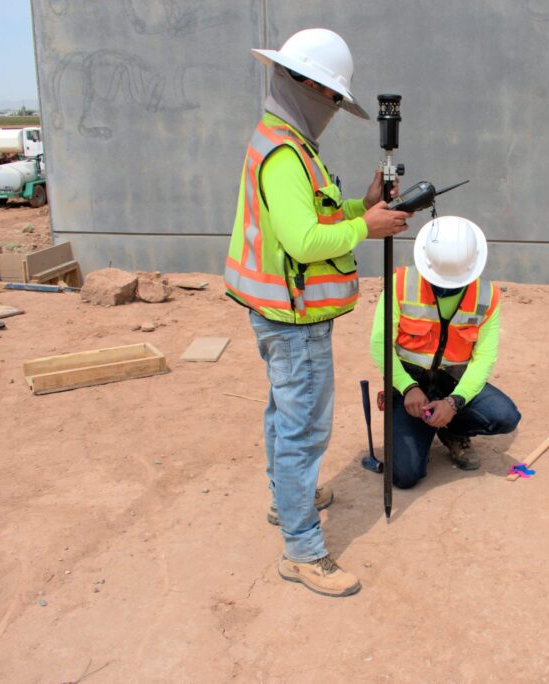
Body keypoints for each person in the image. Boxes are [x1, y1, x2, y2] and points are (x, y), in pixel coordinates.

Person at [224, 28, 411, 598]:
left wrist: (364, 204)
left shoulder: (287, 144)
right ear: (303, 84)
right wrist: (368, 228)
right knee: (304, 428)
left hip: (283, 313)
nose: (332, 107)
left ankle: (289, 500)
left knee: (285, 415)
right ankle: (303, 551)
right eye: (331, 96)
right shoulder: (283, 153)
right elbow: (305, 241)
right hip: (292, 319)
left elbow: (316, 216)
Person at [370, 216, 521, 488]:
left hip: (454, 380)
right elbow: (379, 344)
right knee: (404, 476)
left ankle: (451, 430)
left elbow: (484, 358)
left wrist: (455, 402)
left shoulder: (487, 296)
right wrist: (406, 387)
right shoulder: (401, 283)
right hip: (409, 382)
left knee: (505, 416)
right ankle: (418, 429)